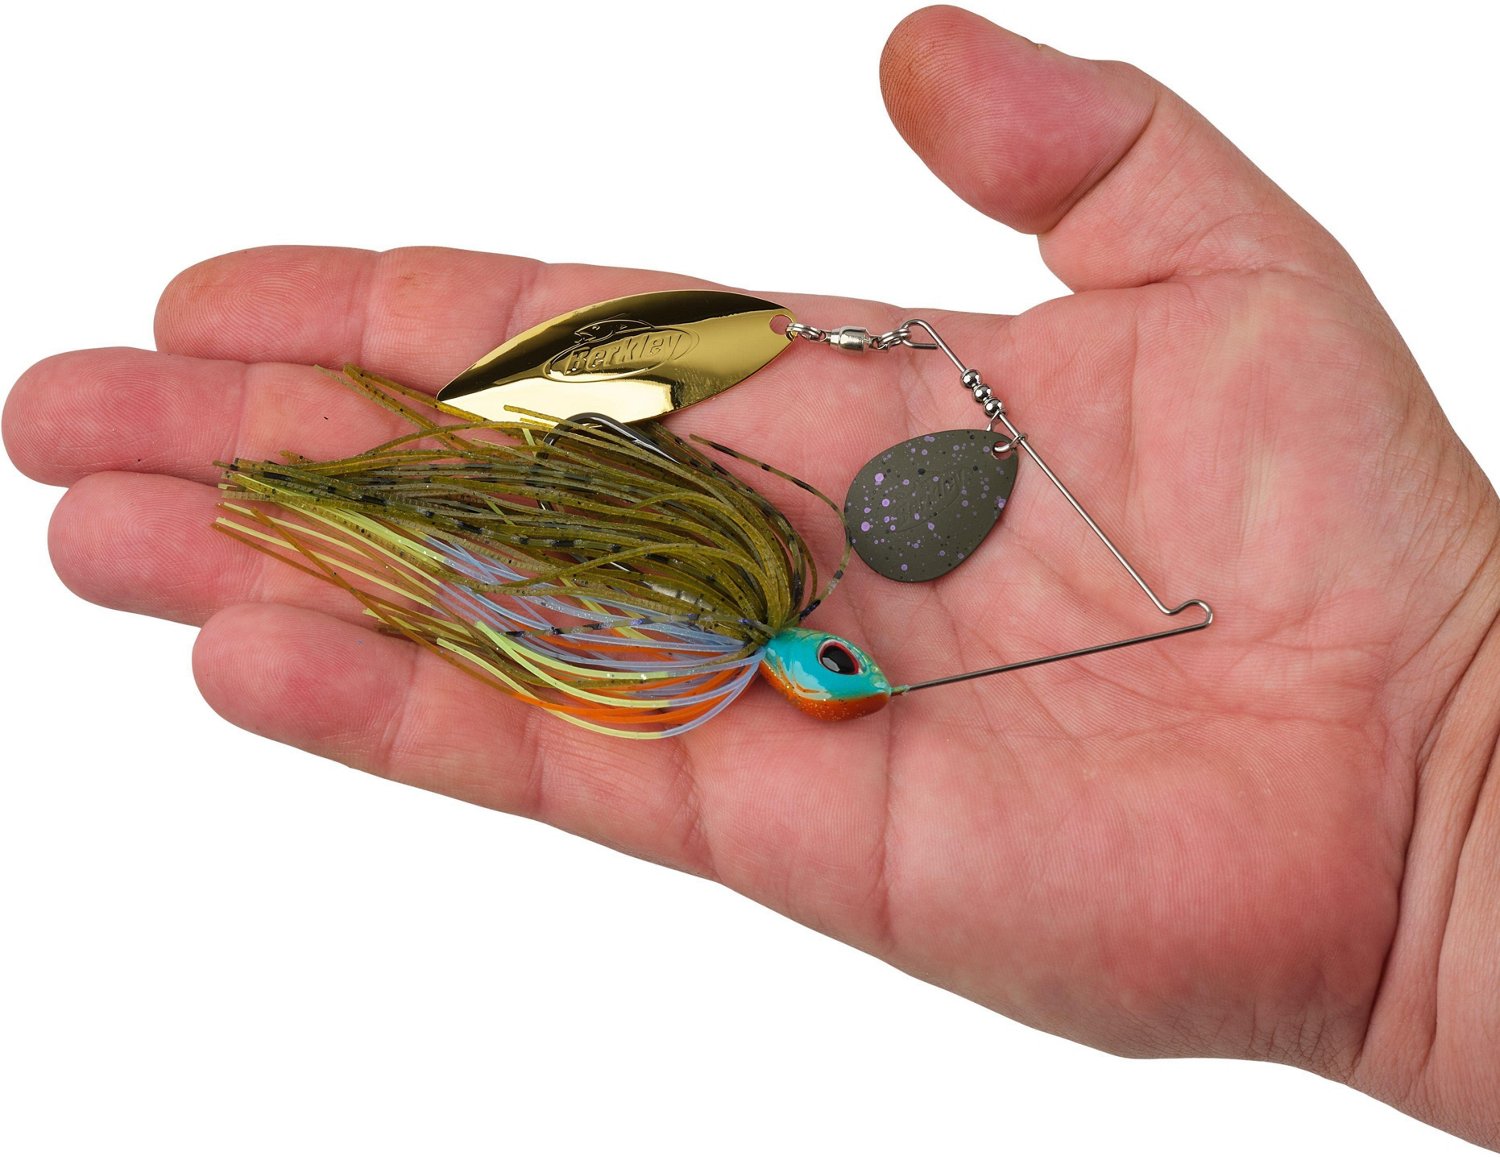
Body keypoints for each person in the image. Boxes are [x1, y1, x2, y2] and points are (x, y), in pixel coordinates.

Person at [5, 6, 1496, 1150]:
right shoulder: (776, 572)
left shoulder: (767, 604)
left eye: (841, 671)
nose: (848, 669)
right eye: (844, 664)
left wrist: (1447, 809)